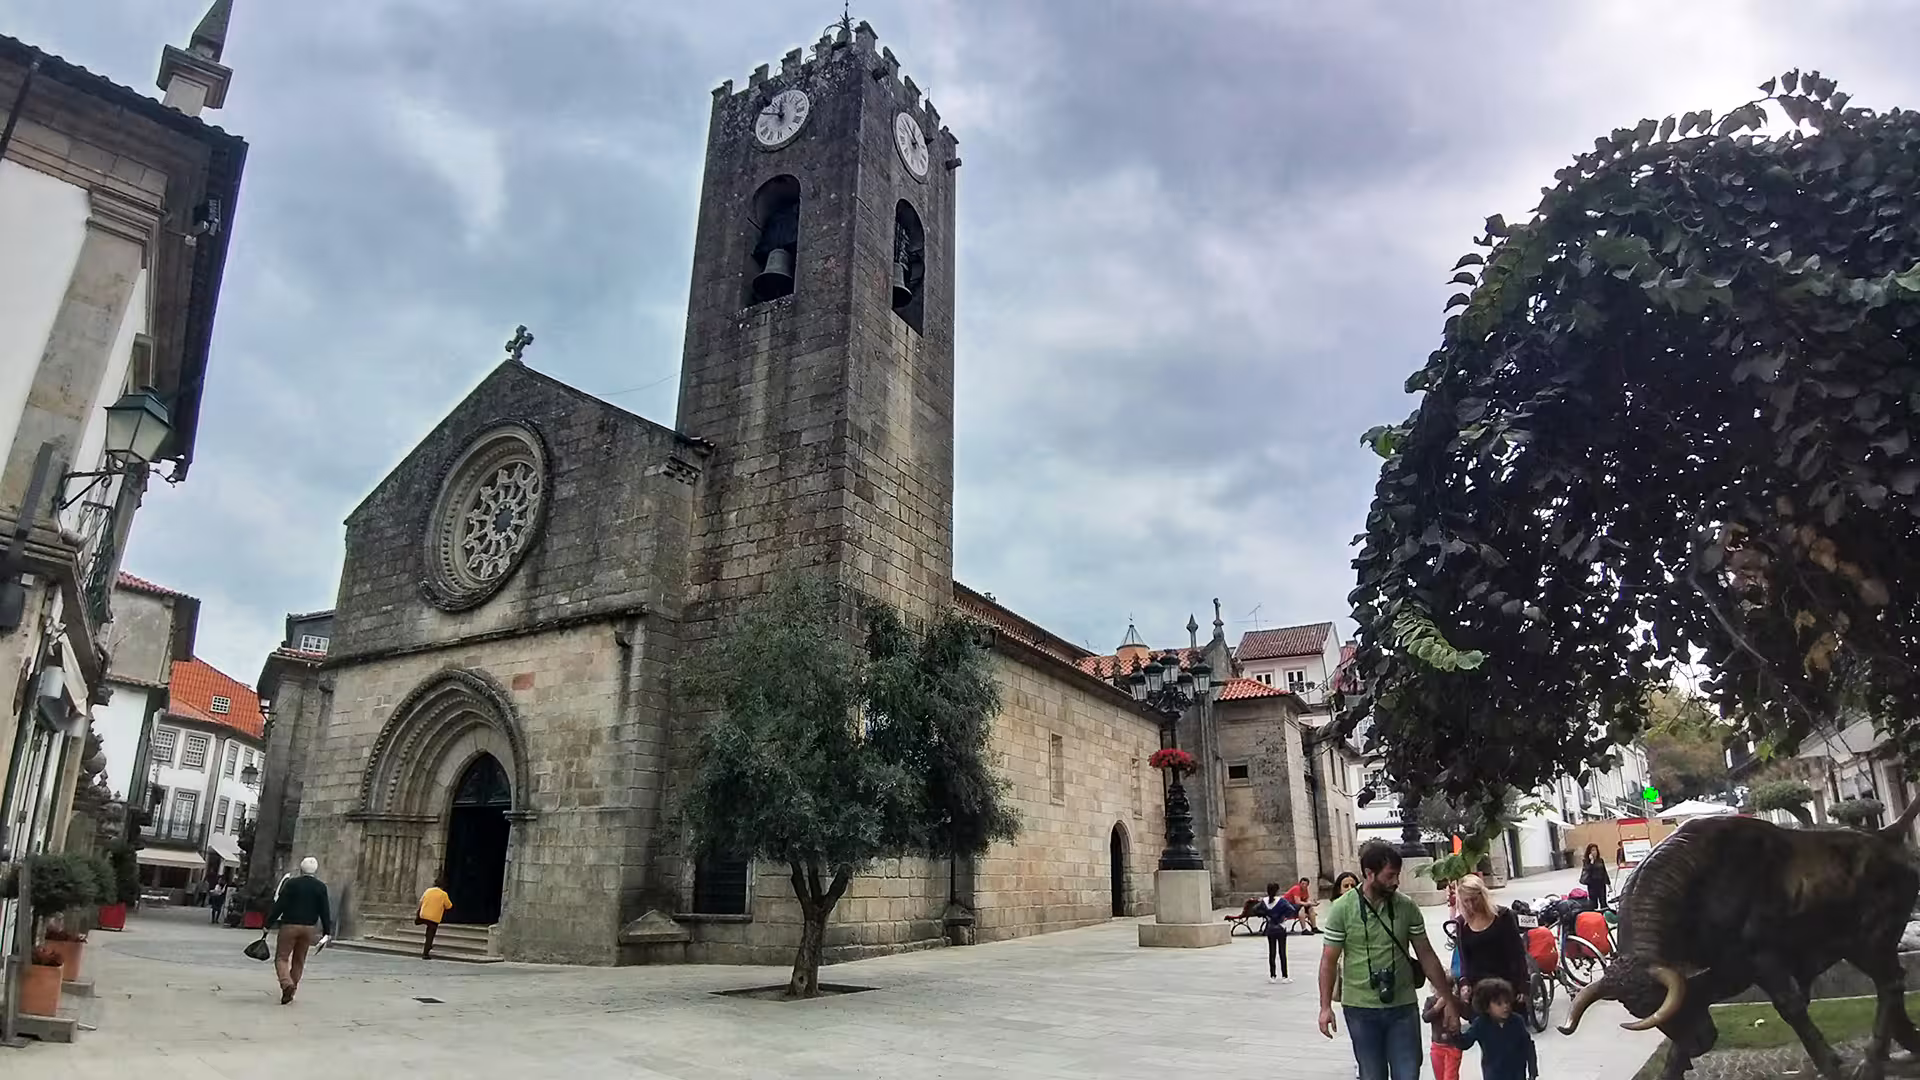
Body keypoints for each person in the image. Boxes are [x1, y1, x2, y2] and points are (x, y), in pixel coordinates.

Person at [1319, 840, 1457, 1080]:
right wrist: (1324, 1007)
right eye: (1390, 876)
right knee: (1372, 1074)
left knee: (1408, 1073)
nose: (1396, 882)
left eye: (1397, 875)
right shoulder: (1342, 908)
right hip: (1360, 1008)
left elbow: (1426, 954)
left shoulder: (1406, 907)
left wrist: (1448, 999)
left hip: (1402, 1006)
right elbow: (1329, 961)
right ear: (1369, 874)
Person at [1451, 874, 1529, 1015]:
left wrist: (1523, 986)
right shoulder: (1462, 924)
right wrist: (1464, 983)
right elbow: (1464, 958)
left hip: (1506, 986)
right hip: (1479, 991)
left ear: (1483, 895)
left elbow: (1517, 953)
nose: (1471, 905)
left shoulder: (1503, 916)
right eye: (1466, 901)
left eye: (1474, 899)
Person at [266, 857, 333, 1005]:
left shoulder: (292, 884)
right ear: (315, 870)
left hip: (290, 925)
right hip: (309, 927)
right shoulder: (320, 887)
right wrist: (327, 931)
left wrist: (268, 923)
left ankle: (286, 983)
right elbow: (325, 910)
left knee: (282, 958)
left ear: (301, 869)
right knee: (299, 960)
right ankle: (292, 988)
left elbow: (280, 905)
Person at [1445, 978, 1538, 1080]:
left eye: (1507, 1002)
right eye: (1499, 1004)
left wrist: (1532, 1072)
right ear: (1486, 1006)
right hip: (1493, 1075)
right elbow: (1465, 1042)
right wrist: (1454, 1033)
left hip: (1517, 1075)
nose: (1505, 1006)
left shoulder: (1517, 1021)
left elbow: (1528, 1046)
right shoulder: (1481, 1024)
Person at [1256, 882, 1299, 983]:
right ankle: (1285, 976)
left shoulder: (1264, 901)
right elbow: (1292, 909)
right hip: (1280, 928)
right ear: (1277, 890)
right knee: (1282, 952)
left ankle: (1272, 976)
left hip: (1270, 928)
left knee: (1272, 952)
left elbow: (1256, 910)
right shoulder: (1282, 901)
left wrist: (1266, 915)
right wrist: (1283, 918)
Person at [1425, 992, 1463, 1080]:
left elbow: (1467, 1013)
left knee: (1450, 1077)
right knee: (1439, 1076)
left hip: (1453, 1046)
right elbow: (1426, 1018)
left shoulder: (1454, 1000)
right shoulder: (1431, 1001)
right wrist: (1437, 1007)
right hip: (1437, 1045)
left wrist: (1456, 1000)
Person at [416, 876, 453, 960]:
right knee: (431, 935)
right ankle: (425, 953)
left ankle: (428, 944)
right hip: (434, 917)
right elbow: (449, 906)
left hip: (424, 915)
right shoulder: (443, 894)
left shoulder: (428, 891)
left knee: (428, 930)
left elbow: (421, 901)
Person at [1580, 843, 1611, 911]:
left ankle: (1605, 916)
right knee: (1593, 903)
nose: (1594, 852)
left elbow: (1604, 872)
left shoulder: (1600, 860)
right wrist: (1592, 861)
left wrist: (1608, 884)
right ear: (1589, 852)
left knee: (1603, 901)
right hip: (1592, 884)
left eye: (1595, 850)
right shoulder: (1586, 861)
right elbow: (1587, 870)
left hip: (1601, 883)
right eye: (1592, 850)